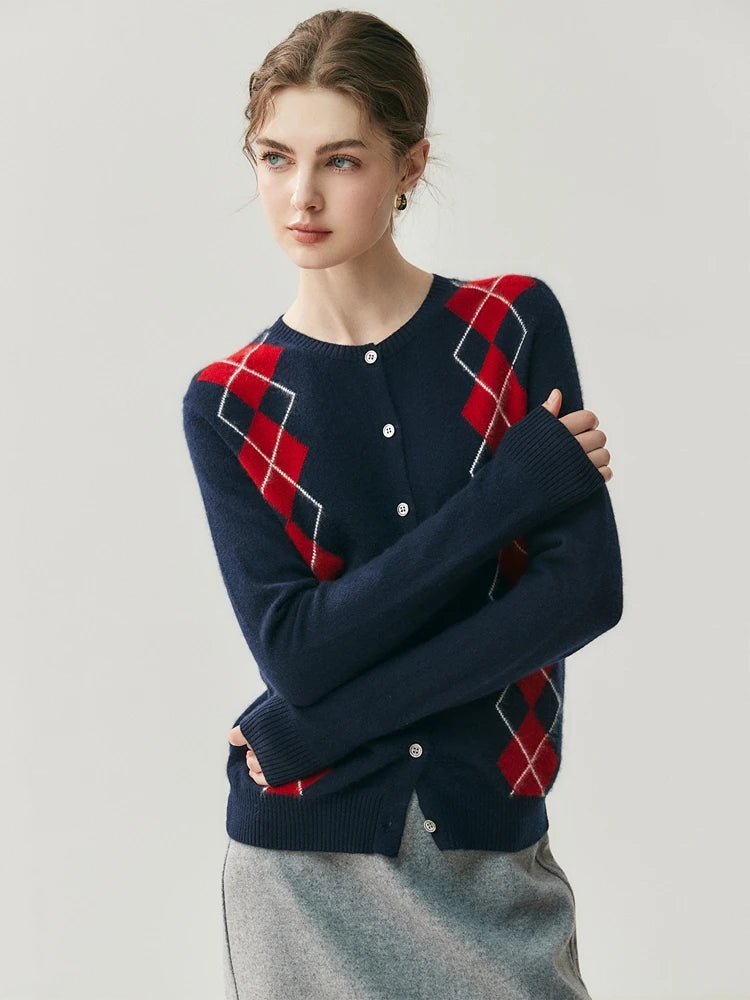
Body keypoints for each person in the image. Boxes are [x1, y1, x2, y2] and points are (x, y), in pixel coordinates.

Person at [182, 9, 623, 1000]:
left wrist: (323, 721)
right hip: (304, 873)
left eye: (340, 159)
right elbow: (298, 652)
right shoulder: (231, 402)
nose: (300, 195)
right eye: (273, 156)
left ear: (409, 164)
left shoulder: (512, 325)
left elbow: (580, 596)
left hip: (488, 849)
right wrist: (510, 491)